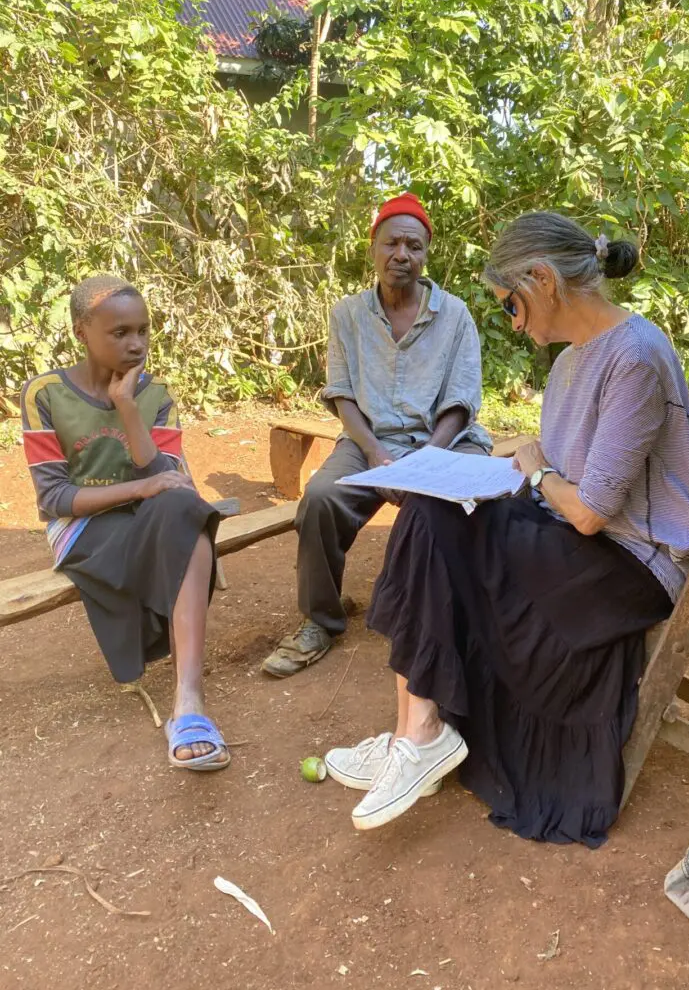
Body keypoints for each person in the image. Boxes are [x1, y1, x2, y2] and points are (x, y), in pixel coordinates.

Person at [325, 211, 689, 846]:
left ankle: (419, 735)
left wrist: (533, 471)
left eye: (509, 305)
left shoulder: (635, 357)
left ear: (542, 280)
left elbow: (588, 510)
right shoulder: (572, 361)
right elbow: (561, 476)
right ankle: (412, 732)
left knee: (435, 520)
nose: (512, 320)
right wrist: (522, 468)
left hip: (626, 565)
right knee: (431, 505)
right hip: (581, 537)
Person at [261, 193, 492, 679]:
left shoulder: (454, 316)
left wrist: (421, 466)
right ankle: (320, 620)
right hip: (370, 443)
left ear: (426, 255)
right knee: (321, 498)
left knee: (465, 505)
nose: (401, 255)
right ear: (373, 247)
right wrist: (378, 456)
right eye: (392, 243)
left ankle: (462, 622)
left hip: (443, 441)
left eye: (414, 246)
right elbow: (342, 395)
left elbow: (461, 402)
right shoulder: (347, 315)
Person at [21, 275, 229, 772]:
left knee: (185, 512)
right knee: (185, 527)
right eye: (119, 332)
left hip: (151, 516)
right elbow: (55, 497)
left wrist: (129, 409)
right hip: (82, 529)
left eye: (143, 330)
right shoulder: (46, 393)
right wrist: (139, 489)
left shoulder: (154, 393)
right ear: (81, 331)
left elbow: (171, 483)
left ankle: (189, 702)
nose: (135, 343)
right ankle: (187, 698)